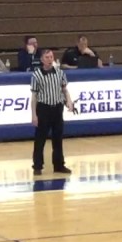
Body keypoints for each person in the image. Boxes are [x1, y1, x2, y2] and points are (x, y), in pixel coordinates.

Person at [30, 48, 77, 176]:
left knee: (58, 138)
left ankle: (59, 165)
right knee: (40, 139)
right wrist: (34, 115)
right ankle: (37, 166)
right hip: (43, 109)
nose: (49, 59)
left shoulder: (60, 73)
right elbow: (34, 97)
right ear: (41, 60)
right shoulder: (36, 75)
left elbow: (65, 90)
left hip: (57, 108)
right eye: (47, 57)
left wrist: (69, 102)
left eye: (51, 57)